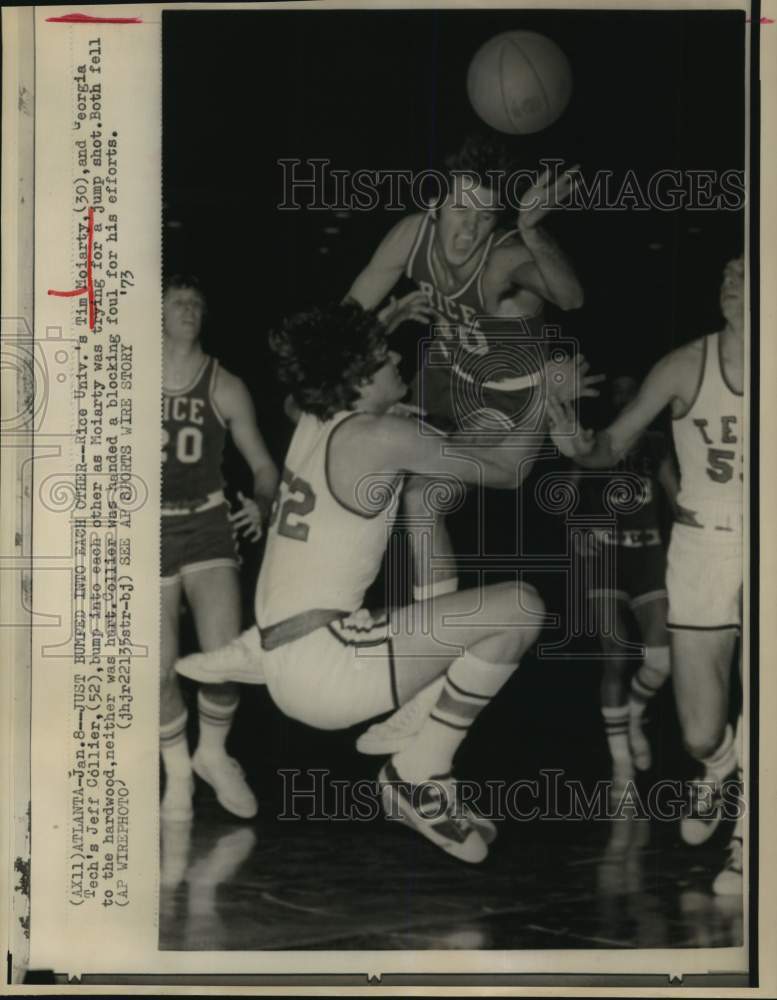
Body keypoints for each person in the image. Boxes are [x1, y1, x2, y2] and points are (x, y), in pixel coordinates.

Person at [178, 303, 597, 863]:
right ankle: (419, 769)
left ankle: (420, 728)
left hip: (294, 650)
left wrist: (387, 316)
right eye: (383, 355)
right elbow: (508, 470)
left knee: (423, 511)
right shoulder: (378, 436)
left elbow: (325, 369)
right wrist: (543, 392)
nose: (397, 355)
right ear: (354, 379)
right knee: (519, 608)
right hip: (327, 668)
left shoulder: (311, 413)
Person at [548, 256, 745, 896]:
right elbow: (609, 445)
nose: (732, 285)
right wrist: (578, 444)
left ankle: (748, 842)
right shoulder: (686, 363)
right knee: (698, 732)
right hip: (702, 549)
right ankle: (718, 768)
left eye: (749, 273)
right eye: (726, 276)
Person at [345, 135, 584, 603]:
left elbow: (572, 298)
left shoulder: (505, 258)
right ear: (437, 204)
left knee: (421, 498)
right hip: (442, 374)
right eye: (460, 209)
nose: (468, 230)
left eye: (484, 216)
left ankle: (437, 638)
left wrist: (534, 232)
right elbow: (345, 319)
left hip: (504, 398)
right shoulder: (410, 236)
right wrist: (381, 322)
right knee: (352, 457)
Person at [161, 275, 278, 821]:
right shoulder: (120, 376)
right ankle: (178, 775)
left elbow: (263, 467)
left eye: (196, 304)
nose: (188, 310)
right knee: (157, 671)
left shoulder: (225, 384)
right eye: (177, 302)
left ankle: (213, 753)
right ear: (156, 313)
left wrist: (261, 500)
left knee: (224, 658)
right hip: (144, 530)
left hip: (208, 522)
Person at [571, 375, 679, 790]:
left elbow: (678, 499)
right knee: (614, 657)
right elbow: (567, 495)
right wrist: (577, 529)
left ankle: (635, 713)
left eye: (632, 391)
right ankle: (620, 763)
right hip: (604, 557)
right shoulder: (595, 441)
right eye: (617, 392)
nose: (624, 398)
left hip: (647, 555)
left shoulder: (655, 444)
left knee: (661, 661)